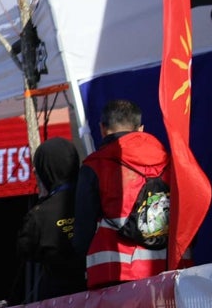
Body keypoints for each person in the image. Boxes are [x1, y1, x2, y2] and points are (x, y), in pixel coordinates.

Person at [74, 99, 173, 289]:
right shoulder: (170, 161)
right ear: (141, 128)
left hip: (115, 274)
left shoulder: (95, 166)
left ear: (102, 129)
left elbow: (83, 233)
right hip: (169, 271)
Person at [16, 137, 86, 300]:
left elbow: (24, 250)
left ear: (44, 170)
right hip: (96, 293)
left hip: (56, 303)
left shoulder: (39, 215)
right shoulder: (93, 199)